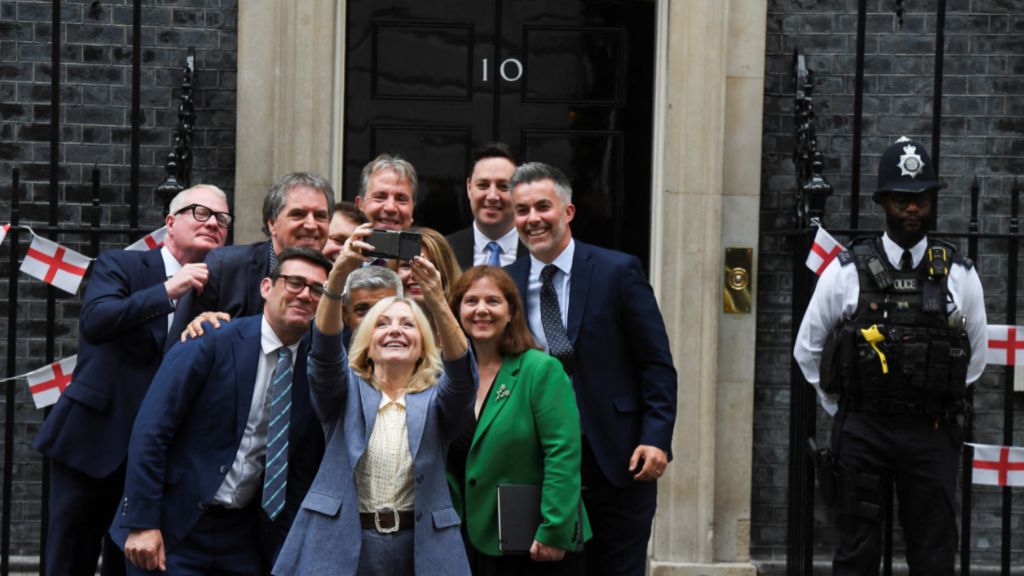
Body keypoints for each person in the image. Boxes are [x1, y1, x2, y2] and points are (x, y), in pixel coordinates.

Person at [793, 136, 987, 576]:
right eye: (902, 198)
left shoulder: (959, 274)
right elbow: (807, 349)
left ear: (932, 202)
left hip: (930, 430)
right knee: (857, 552)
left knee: (934, 552)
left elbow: (975, 358)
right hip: (864, 429)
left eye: (921, 198)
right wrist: (841, 406)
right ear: (884, 201)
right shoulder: (845, 271)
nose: (912, 209)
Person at [31, 185, 230, 576]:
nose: (213, 223)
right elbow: (97, 322)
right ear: (170, 223)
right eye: (200, 213)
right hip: (94, 443)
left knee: (134, 567)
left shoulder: (219, 290)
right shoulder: (121, 265)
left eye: (222, 219)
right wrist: (169, 290)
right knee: (69, 560)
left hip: (157, 461)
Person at [112, 247, 332, 575]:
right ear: (266, 288)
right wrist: (142, 521)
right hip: (175, 526)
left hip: (245, 537)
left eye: (317, 290)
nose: (305, 295)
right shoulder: (211, 340)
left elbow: (300, 465)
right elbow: (152, 429)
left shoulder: (317, 371)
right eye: (294, 283)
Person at [272, 226, 476, 576]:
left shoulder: (436, 401)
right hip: (343, 543)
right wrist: (338, 275)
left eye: (408, 325)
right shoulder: (343, 393)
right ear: (367, 342)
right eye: (382, 323)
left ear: (424, 345)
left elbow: (462, 375)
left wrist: (437, 300)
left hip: (420, 547)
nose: (395, 330)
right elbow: (323, 352)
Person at [505, 162, 677, 576]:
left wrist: (657, 438)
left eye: (542, 207)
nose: (532, 219)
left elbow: (655, 364)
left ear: (567, 212)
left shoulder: (618, 271)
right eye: (522, 211)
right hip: (537, 463)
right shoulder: (504, 283)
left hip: (616, 460)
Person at [448, 265, 591, 575]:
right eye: (471, 301)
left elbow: (563, 454)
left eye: (493, 301)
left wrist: (553, 529)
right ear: (456, 311)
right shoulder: (447, 377)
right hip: (466, 540)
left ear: (512, 311)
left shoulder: (540, 370)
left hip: (534, 545)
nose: (481, 310)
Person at [170, 171, 335, 342]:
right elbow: (179, 347)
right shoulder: (225, 267)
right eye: (298, 214)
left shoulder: (336, 283)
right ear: (272, 224)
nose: (311, 225)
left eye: (320, 216)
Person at [446, 142, 528, 269]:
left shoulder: (539, 251)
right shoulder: (444, 251)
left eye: (503, 186)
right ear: (469, 188)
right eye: (483, 185)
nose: (492, 196)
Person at [340, 265, 403, 349]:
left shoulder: (417, 352)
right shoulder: (330, 357)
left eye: (384, 309)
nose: (373, 319)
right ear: (345, 315)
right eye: (362, 310)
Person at [355, 153, 417, 231]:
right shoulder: (342, 242)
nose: (390, 208)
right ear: (360, 204)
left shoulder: (426, 243)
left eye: (401, 199)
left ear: (412, 208)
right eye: (380, 197)